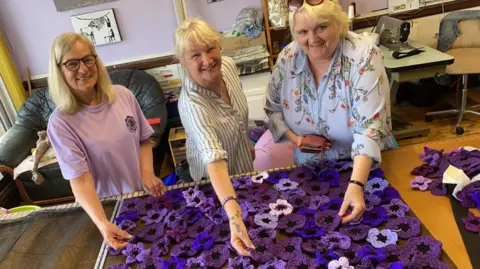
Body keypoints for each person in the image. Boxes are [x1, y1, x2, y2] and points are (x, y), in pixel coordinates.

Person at [265, 0, 395, 224]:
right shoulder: (288, 58)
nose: (313, 39)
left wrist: (356, 185)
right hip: (310, 166)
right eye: (303, 31)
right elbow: (273, 108)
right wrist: (296, 138)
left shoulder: (363, 56)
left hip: (364, 169)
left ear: (340, 24)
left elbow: (370, 127)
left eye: (321, 27)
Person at [47, 33, 166, 250]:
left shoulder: (123, 95)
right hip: (109, 211)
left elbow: (143, 140)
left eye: (87, 59)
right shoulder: (60, 123)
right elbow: (80, 180)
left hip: (143, 197)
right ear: (59, 70)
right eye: (72, 64)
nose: (83, 69)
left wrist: (147, 174)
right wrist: (102, 223)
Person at [174, 18, 255, 256]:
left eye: (210, 49)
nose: (207, 60)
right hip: (213, 186)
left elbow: (239, 115)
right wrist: (234, 217)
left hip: (243, 166)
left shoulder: (228, 66)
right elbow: (214, 159)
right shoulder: (191, 105)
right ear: (183, 62)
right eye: (195, 55)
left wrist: (246, 141)